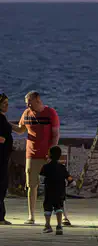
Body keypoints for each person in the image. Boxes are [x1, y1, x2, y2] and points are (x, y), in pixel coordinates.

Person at [17, 91, 60, 225]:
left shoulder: (50, 113)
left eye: (30, 102)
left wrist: (51, 153)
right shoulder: (26, 113)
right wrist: (5, 124)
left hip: (47, 154)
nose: (28, 105)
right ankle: (31, 216)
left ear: (38, 100)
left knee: (56, 185)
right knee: (31, 185)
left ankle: (63, 216)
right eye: (27, 103)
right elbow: (20, 129)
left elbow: (55, 135)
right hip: (31, 154)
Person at [0, 93, 26, 225]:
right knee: (1, 185)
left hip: (4, 157)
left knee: (3, 185)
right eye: (4, 103)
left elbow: (18, 130)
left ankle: (1, 216)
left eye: (7, 103)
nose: (7, 106)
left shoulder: (3, 118)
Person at [39, 146, 73, 235]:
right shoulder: (62, 167)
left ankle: (47, 225)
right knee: (58, 207)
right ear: (60, 155)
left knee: (47, 207)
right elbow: (69, 178)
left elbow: (41, 178)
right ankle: (59, 226)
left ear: (49, 155)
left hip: (49, 191)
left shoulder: (45, 167)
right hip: (60, 191)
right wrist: (73, 183)